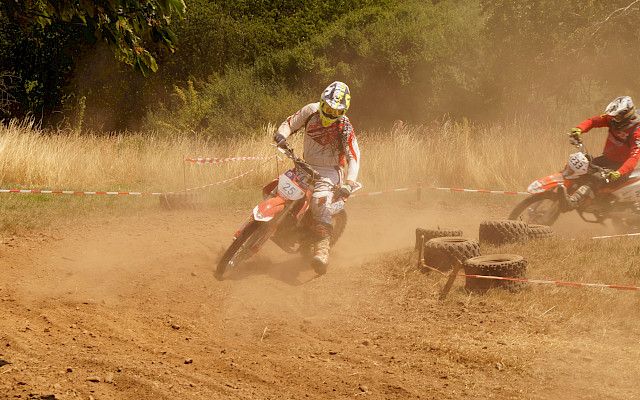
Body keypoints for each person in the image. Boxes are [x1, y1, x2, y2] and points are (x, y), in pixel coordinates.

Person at [273, 81, 360, 275]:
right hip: (306, 166)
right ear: (322, 102)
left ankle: (322, 250)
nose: (331, 114)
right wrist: (281, 135)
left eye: (336, 111)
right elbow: (290, 123)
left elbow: (354, 156)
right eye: (328, 108)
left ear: (343, 111)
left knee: (320, 204)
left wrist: (349, 183)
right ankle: (278, 227)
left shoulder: (345, 126)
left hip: (330, 172)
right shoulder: (311, 111)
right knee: (281, 189)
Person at [565, 95, 640, 209]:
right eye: (613, 116)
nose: (613, 119)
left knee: (597, 177)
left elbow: (634, 157)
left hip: (621, 167)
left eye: (617, 116)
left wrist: (619, 173)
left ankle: (575, 200)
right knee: (584, 168)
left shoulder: (636, 132)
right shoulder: (613, 119)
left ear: (626, 115)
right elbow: (592, 121)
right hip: (607, 159)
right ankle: (567, 192)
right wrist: (580, 129)